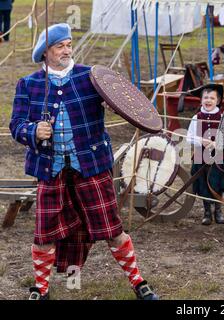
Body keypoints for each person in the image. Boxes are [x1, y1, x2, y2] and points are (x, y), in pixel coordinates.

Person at [9, 23, 158, 300]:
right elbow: (15, 124)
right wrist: (33, 131)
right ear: (45, 53)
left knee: (112, 229)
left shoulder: (91, 77)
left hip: (90, 166)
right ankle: (41, 289)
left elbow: (124, 101)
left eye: (68, 44)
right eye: (60, 46)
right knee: (44, 235)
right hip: (49, 169)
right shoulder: (28, 85)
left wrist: (116, 106)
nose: (67, 50)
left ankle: (139, 283)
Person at [186, 84, 224, 225]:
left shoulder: (223, 117)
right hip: (201, 157)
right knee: (203, 184)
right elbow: (189, 137)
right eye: (205, 97)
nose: (208, 100)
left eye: (212, 98)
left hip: (219, 157)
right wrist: (201, 141)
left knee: (218, 183)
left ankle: (218, 211)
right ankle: (207, 212)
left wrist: (217, 143)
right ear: (201, 100)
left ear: (217, 101)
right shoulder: (196, 117)